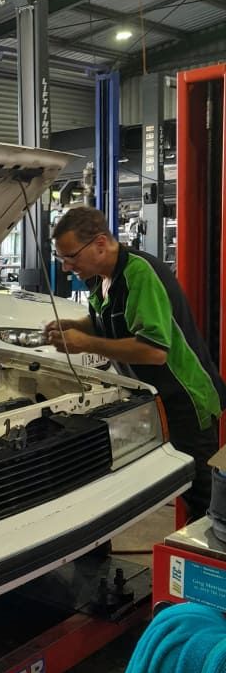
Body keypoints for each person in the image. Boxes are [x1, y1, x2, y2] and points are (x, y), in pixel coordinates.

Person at [46, 206, 226, 523]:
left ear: (100, 243)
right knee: (173, 485)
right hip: (154, 400)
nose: (66, 267)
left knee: (202, 498)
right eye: (62, 259)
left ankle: (206, 568)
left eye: (71, 257)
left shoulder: (139, 274)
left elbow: (154, 351)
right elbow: (107, 321)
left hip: (185, 399)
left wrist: (84, 343)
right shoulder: (100, 277)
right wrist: (74, 325)